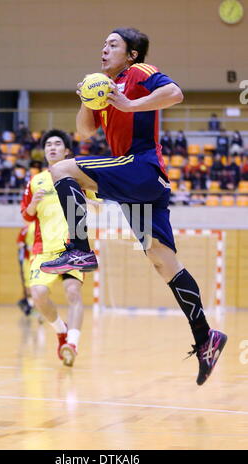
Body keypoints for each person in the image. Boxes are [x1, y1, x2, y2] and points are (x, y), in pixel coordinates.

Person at [40, 27, 227, 385]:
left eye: (113, 45)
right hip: (139, 185)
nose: (104, 49)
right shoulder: (104, 90)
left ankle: (78, 249)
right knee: (162, 261)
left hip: (140, 167)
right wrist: (87, 98)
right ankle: (206, 337)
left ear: (131, 55)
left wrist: (130, 103)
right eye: (103, 44)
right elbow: (83, 133)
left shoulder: (138, 75)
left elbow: (175, 93)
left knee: (62, 169)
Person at [21, 129, 86, 367]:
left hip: (72, 247)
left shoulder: (79, 176)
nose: (52, 147)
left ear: (67, 150)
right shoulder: (36, 180)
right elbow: (26, 216)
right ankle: (61, 332)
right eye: (48, 144)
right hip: (43, 249)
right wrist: (33, 205)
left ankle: (73, 342)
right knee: (38, 295)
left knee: (72, 293)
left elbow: (99, 197)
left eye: (58, 144)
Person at [17, 223, 36, 316]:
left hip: (39, 260)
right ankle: (30, 305)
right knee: (28, 284)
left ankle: (34, 305)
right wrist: (27, 247)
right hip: (28, 261)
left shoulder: (44, 227)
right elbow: (19, 242)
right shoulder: (26, 228)